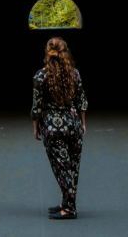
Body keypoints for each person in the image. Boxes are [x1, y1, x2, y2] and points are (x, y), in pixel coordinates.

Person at [31, 37, 87, 220]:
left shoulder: (41, 76)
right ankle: (66, 203)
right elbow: (81, 102)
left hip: (53, 127)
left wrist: (36, 127)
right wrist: (82, 123)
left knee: (61, 168)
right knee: (72, 167)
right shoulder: (75, 74)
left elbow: (37, 106)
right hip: (73, 124)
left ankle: (69, 209)